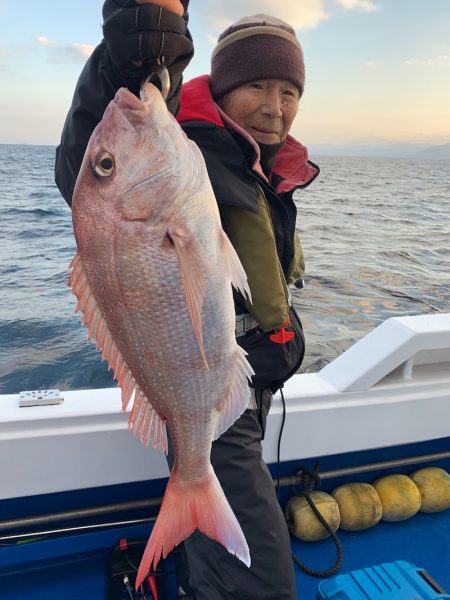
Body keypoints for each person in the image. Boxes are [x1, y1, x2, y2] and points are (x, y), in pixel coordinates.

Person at [55, 1, 319, 598]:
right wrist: (136, 53)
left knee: (224, 560)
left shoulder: (260, 169)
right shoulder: (191, 145)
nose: (275, 108)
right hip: (207, 407)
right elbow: (82, 161)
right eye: (257, 85)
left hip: (225, 389)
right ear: (222, 90)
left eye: (288, 91)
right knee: (260, 585)